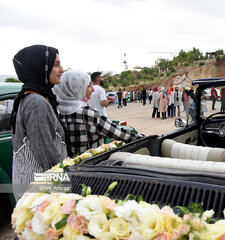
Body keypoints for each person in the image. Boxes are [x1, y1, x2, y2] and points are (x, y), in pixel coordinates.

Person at [11, 45, 68, 200]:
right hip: (40, 189)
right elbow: (46, 155)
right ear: (40, 67)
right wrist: (64, 187)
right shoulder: (36, 102)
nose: (62, 69)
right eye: (56, 65)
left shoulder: (36, 97)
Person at [53, 70, 142, 156]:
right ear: (77, 89)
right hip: (91, 165)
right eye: (88, 86)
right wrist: (141, 138)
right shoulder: (88, 114)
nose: (92, 89)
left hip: (69, 165)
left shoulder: (57, 113)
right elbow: (119, 134)